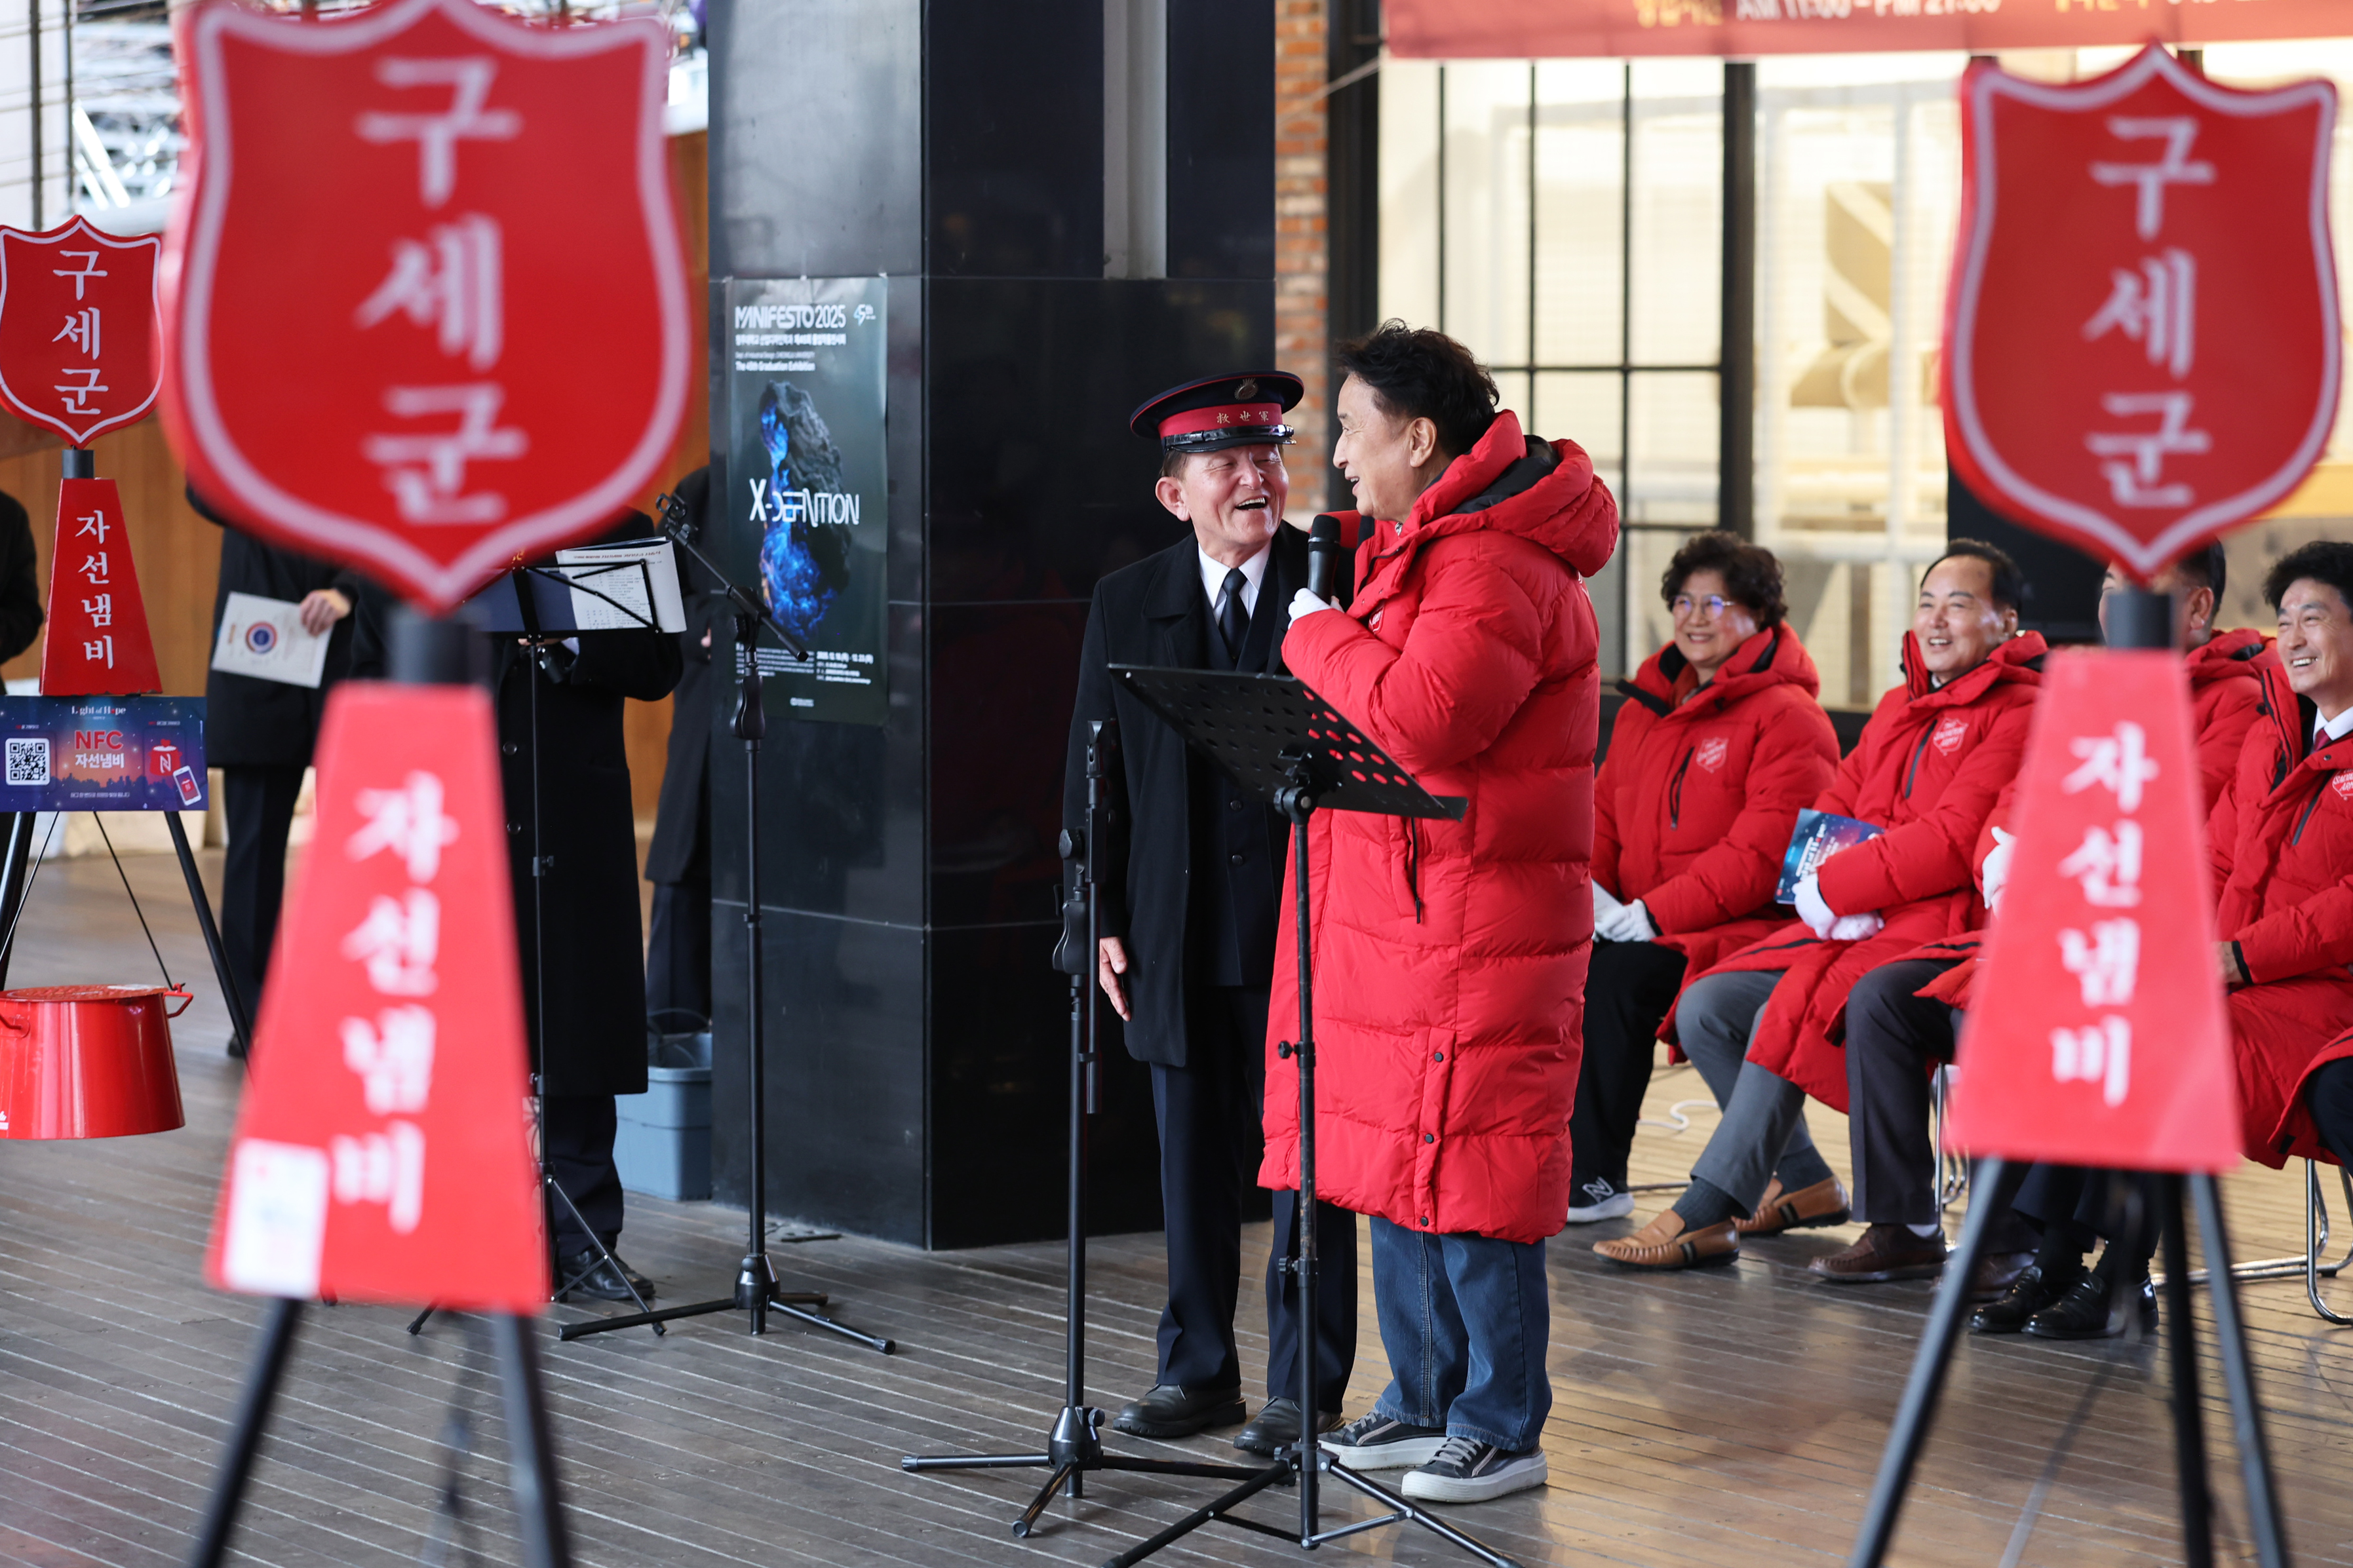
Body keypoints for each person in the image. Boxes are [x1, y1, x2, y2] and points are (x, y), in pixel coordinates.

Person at [1266, 322, 1618, 1506]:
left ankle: (1501, 1423)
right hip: (1407, 910)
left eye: (1355, 434)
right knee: (1391, 1159)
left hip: (1481, 920)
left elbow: (1420, 718)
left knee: (1475, 1171)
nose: (1342, 461)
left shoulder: (1495, 564)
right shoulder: (1434, 546)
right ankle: (1420, 1401)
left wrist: (1316, 636)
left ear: (1419, 436)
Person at [1810, 546, 2267, 1322]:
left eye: (2139, 592)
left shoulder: (2235, 701)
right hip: (2043, 925)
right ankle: (1904, 1223)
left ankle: (2015, 1242)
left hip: (2139, 934)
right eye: (2108, 589)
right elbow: (2013, 803)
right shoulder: (2087, 688)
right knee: (1884, 996)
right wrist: (2005, 858)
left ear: (2196, 610)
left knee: (2015, 1012)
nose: (2114, 606)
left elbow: (2177, 817)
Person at [1595, 541, 2044, 1273]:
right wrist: (1823, 883)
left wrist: (1837, 888)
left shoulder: (2020, 710)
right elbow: (1834, 805)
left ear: (2004, 621)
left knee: (1791, 1003)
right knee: (1708, 1004)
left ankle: (1710, 1205)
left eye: (1957, 606)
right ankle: (1800, 1177)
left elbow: (1952, 838)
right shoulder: (1902, 704)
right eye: (1926, 602)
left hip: (1936, 928)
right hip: (1851, 922)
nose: (1935, 620)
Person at [1062, 371, 1358, 1457]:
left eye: (1270, 455)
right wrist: (1096, 905)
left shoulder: (1335, 582)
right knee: (1189, 1162)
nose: (1257, 478)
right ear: (1173, 493)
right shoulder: (1128, 598)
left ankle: (1303, 1388)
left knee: (1306, 1165)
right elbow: (1096, 769)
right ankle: (1197, 1372)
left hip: (1303, 929)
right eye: (1227, 464)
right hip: (1174, 928)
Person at [1571, 533, 1840, 1223]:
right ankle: (1800, 1173)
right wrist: (1594, 900)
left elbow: (1761, 853)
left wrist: (1650, 915)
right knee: (1569, 963)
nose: (1694, 616)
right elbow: (1603, 816)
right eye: (1683, 601)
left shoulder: (1789, 717)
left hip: (1745, 930)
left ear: (1758, 615)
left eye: (1714, 602)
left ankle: (1595, 1178)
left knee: (1615, 980)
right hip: (1650, 923)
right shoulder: (1643, 709)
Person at [496, 511, 684, 1301]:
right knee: (482, 1017)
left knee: (575, 1016)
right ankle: (483, 1227)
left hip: (574, 803)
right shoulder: (444, 515)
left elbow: (658, 664)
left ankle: (584, 1240)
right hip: (464, 790)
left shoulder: (615, 526)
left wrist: (572, 631)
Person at [192, 485, 372, 1056]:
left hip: (344, 660)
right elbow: (204, 486)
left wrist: (347, 590)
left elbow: (382, 532)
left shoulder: (356, 444)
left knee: (358, 850)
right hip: (261, 664)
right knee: (252, 856)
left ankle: (354, 1004)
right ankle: (253, 1014)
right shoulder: (244, 456)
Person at [644, 467, 724, 1034]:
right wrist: (708, 628)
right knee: (687, 875)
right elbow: (658, 596)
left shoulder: (824, 483)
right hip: (708, 707)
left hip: (808, 721)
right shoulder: (703, 490)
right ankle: (671, 1044)